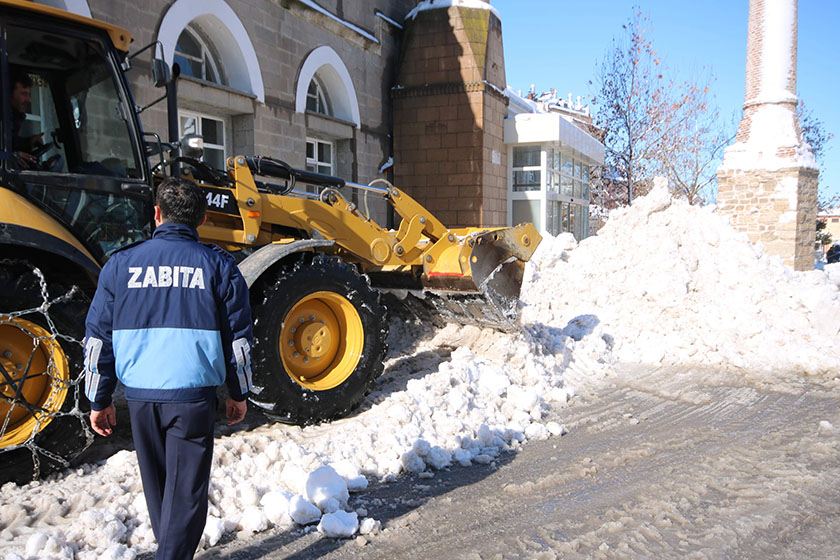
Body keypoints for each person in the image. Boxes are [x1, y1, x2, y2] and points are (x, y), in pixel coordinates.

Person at [84, 177, 254, 560]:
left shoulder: (119, 265)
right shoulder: (219, 266)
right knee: (187, 496)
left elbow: (98, 339)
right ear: (203, 218)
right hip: (192, 399)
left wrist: (99, 397)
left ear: (157, 214)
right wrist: (239, 392)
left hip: (141, 398)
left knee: (160, 491)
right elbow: (239, 341)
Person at [9, 69, 44, 168]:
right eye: (24, 94)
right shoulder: (4, 120)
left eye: (29, 94)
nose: (29, 100)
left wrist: (29, 142)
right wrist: (10, 156)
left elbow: (11, 144)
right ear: (8, 93)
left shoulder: (11, 118)